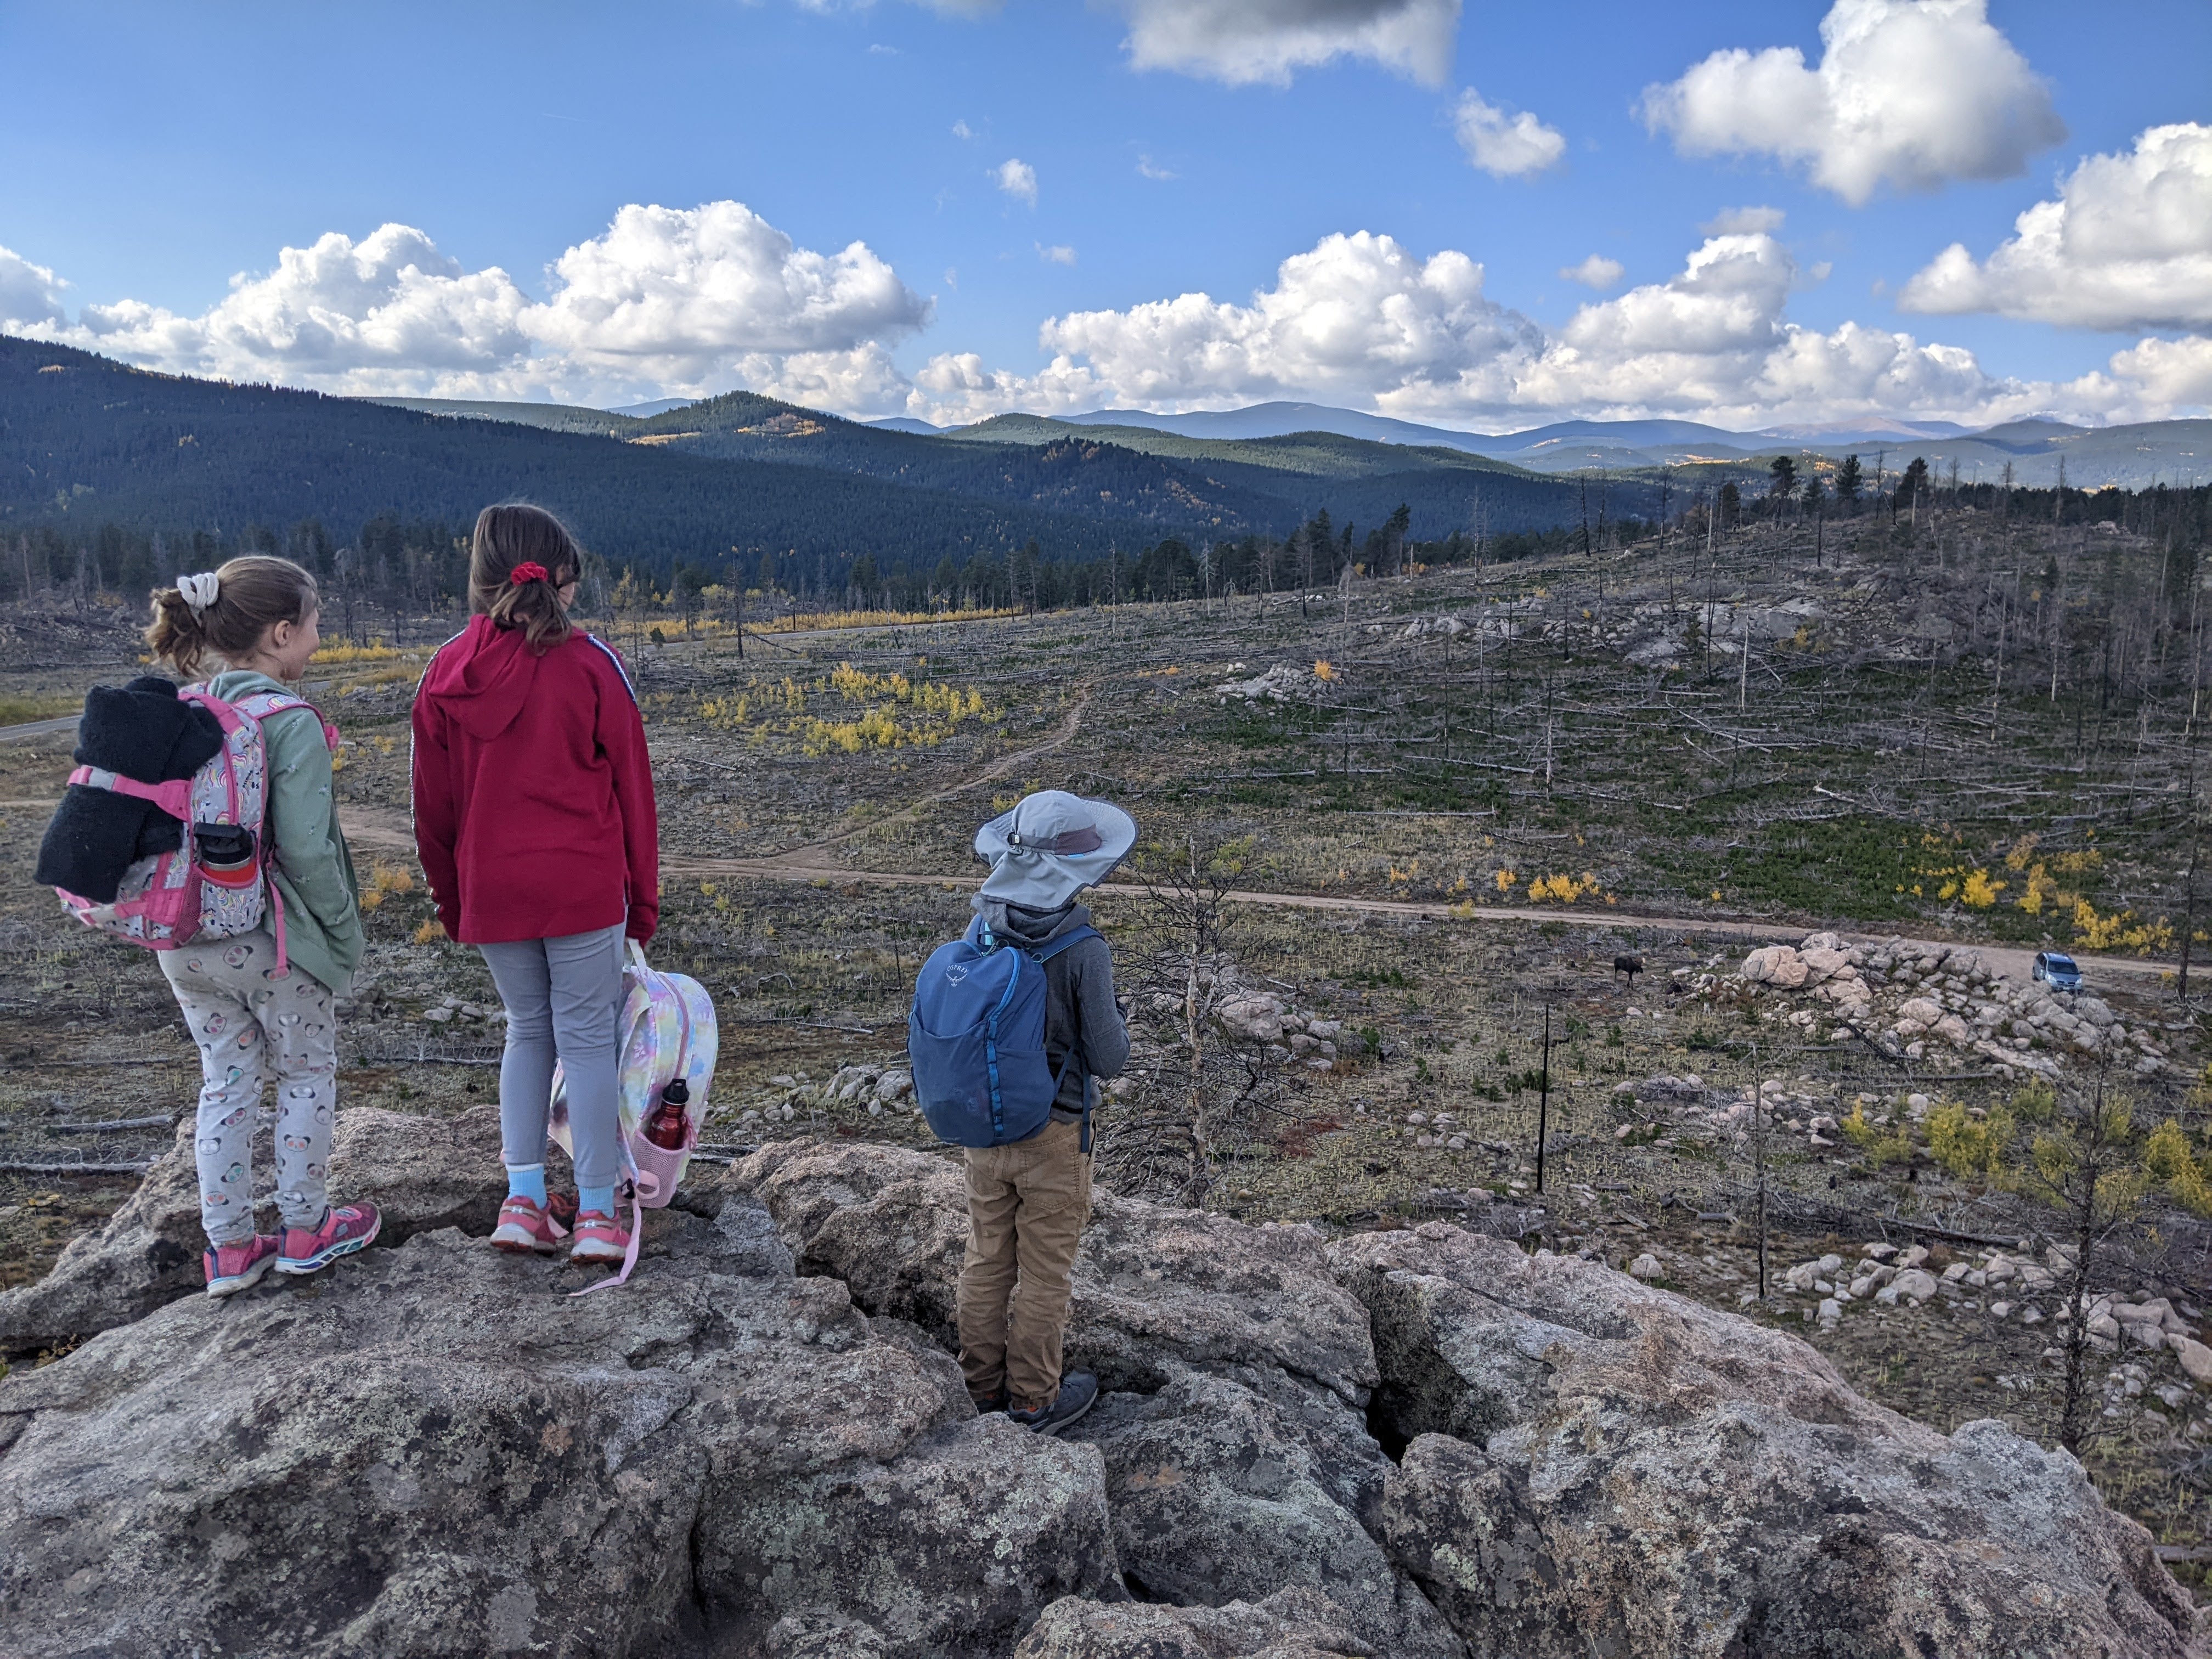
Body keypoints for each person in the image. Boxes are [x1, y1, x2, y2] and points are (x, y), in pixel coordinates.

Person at [411, 504, 658, 1268]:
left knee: (526, 1032)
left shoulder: (446, 672)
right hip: (582, 888)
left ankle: (522, 1203)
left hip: (494, 893)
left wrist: (456, 902)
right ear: (565, 585)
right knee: (586, 1043)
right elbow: (634, 792)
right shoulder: (593, 666)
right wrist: (641, 903)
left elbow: (432, 810)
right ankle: (594, 1214)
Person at [141, 557, 379, 1295]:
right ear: (281, 634)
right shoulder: (290, 722)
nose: (319, 637)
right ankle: (308, 1230)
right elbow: (306, 849)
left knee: (227, 1083)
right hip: (271, 943)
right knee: (305, 1074)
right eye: (314, 624)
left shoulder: (183, 713)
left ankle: (232, 1249)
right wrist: (340, 925)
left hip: (183, 943)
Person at [955, 789, 1134, 1435]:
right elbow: (1109, 1058)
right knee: (1044, 1275)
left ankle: (977, 1388)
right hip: (1055, 1134)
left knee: (985, 1257)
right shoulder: (1083, 947)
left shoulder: (980, 925)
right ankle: (1032, 1401)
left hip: (983, 1125)